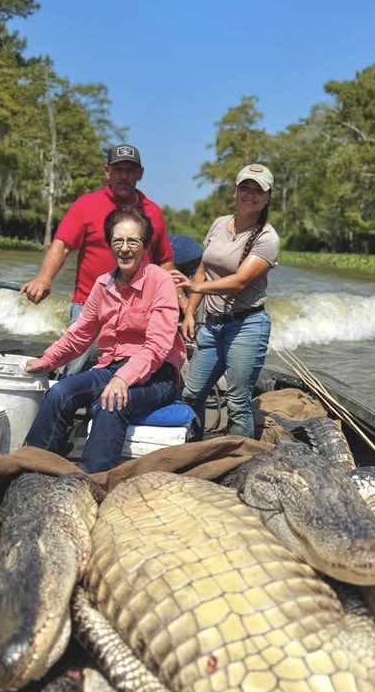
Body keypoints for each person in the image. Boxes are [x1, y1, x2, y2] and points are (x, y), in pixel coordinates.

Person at [22, 206, 186, 473]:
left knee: (112, 403)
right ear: (109, 245)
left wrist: (123, 378)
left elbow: (157, 346)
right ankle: (34, 468)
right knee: (59, 393)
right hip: (112, 366)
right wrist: (46, 361)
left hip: (158, 375)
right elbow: (80, 334)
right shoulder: (103, 284)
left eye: (133, 241)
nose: (124, 248)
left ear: (145, 246)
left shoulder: (160, 281)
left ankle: (93, 480)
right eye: (117, 241)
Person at [20, 144, 178, 374]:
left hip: (139, 309)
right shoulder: (86, 205)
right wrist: (44, 279)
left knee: (131, 372)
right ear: (107, 172)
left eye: (130, 170)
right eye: (118, 170)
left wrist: (177, 298)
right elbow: (62, 245)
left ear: (140, 174)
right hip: (89, 305)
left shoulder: (152, 211)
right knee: (75, 372)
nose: (124, 176)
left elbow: (164, 261)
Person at [171, 163, 280, 439]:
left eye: (258, 191)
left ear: (267, 198)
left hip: (247, 326)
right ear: (235, 191)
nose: (250, 195)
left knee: (237, 402)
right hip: (212, 325)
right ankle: (193, 448)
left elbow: (239, 281)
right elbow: (203, 268)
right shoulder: (220, 224)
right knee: (191, 393)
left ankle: (241, 456)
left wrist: (194, 287)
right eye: (245, 187)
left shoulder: (267, 238)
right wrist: (189, 313)